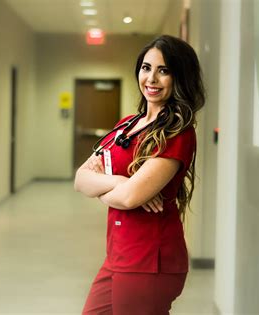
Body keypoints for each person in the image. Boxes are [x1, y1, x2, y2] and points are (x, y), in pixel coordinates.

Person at [74, 34, 205, 314]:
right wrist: (119, 183)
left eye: (164, 70)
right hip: (118, 255)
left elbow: (131, 197)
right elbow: (80, 179)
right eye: (146, 68)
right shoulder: (126, 125)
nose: (152, 79)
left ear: (179, 77)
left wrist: (116, 189)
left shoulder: (177, 132)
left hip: (149, 261)